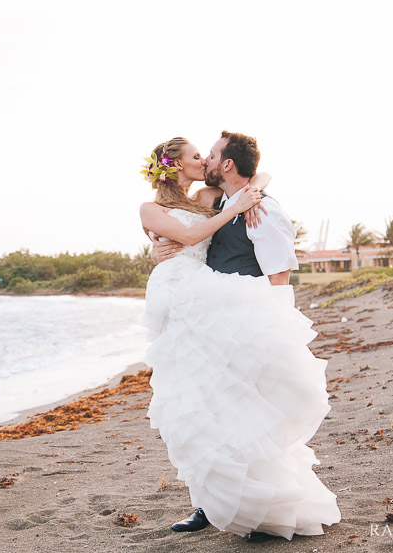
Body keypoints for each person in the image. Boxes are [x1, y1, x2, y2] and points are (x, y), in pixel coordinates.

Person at [139, 134, 341, 542]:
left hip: (217, 303)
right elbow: (186, 237)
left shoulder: (211, 197)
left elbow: (255, 178)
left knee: (231, 402)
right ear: (175, 166)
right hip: (184, 301)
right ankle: (208, 501)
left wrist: (253, 193)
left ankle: (248, 500)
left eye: (209, 155)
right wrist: (156, 251)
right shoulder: (155, 207)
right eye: (198, 155)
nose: (204, 160)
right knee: (200, 402)